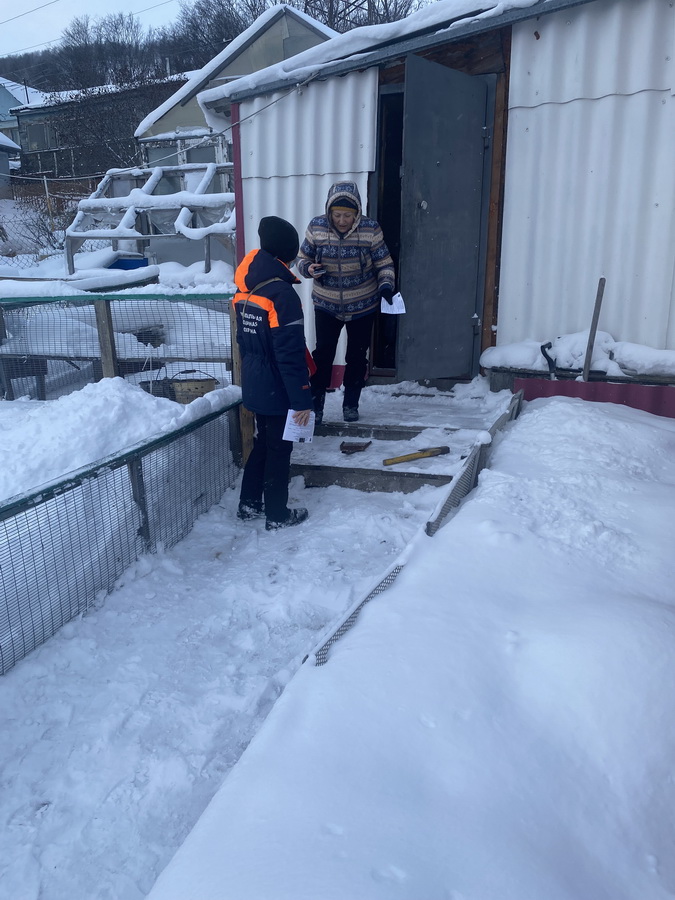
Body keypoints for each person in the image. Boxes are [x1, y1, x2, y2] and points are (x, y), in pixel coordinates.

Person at [234, 216, 313, 531]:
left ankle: (249, 503)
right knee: (279, 450)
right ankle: (277, 514)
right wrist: (302, 399)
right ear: (288, 254)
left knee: (263, 444)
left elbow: (243, 341)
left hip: (256, 381)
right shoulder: (281, 295)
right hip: (278, 386)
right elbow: (289, 354)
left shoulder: (245, 289)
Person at [297, 181, 395, 424]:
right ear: (329, 211)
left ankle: (351, 404)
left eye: (347, 215)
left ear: (357, 213)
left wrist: (386, 285)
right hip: (326, 304)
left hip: (362, 304)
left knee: (357, 356)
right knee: (323, 355)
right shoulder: (317, 226)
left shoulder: (370, 229)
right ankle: (316, 406)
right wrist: (309, 268)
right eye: (337, 214)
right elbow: (301, 258)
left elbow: (384, 263)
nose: (342, 220)